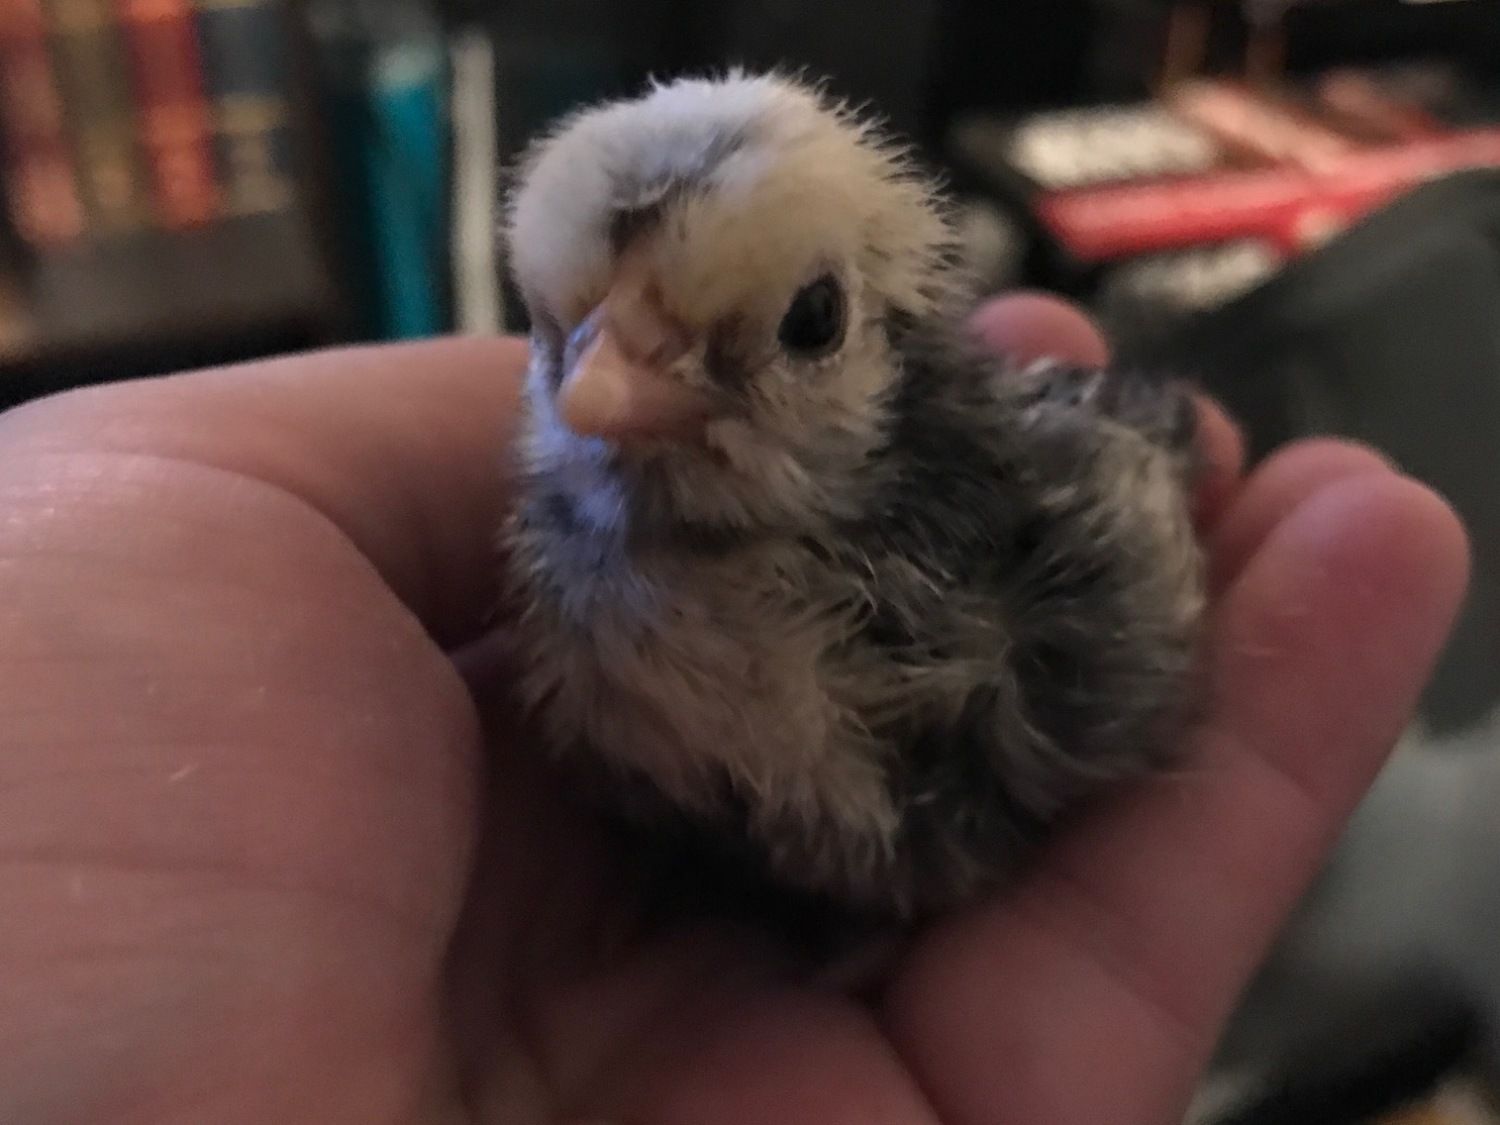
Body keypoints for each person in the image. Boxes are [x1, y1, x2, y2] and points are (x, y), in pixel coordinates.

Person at [0, 294, 1467, 1124]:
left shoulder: (1001, 552)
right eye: (570, 330)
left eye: (800, 323)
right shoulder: (578, 551)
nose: (619, 378)